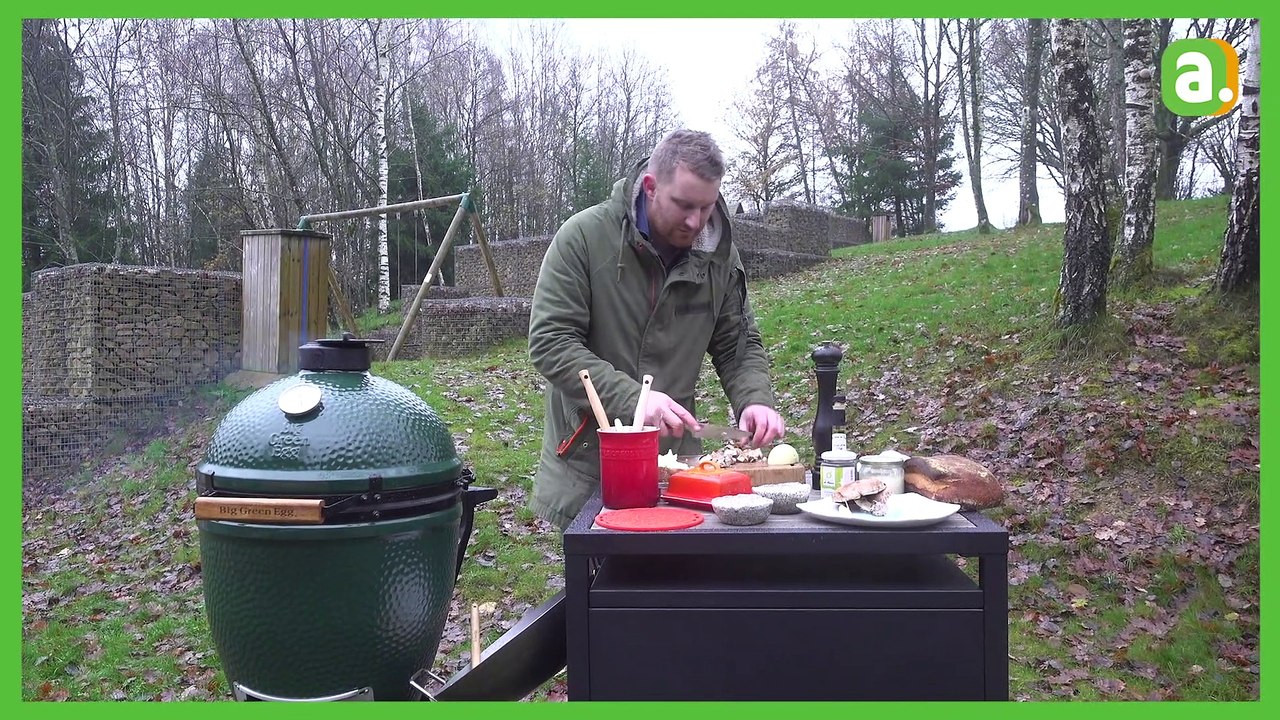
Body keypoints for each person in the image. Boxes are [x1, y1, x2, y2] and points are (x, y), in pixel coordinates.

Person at [526, 128, 785, 529]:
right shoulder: (583, 238)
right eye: (684, 205)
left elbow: (737, 344)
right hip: (589, 459)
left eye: (707, 207)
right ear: (650, 186)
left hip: (675, 464)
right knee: (600, 588)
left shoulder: (719, 257)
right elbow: (551, 341)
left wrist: (754, 399)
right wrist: (635, 400)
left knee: (672, 587)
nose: (695, 221)